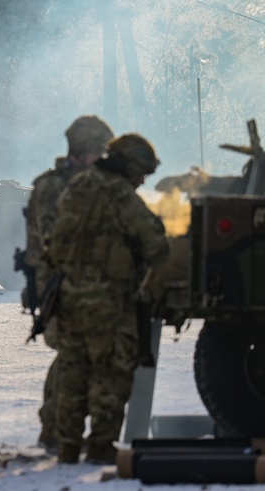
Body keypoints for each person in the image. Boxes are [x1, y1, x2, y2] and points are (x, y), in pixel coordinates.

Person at [45, 133, 169, 465]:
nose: (142, 180)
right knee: (111, 372)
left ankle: (67, 446)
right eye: (140, 172)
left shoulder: (78, 185)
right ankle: (101, 446)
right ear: (127, 166)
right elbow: (156, 243)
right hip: (109, 302)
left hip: (69, 297)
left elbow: (53, 241)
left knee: (73, 370)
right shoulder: (119, 193)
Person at [25, 115, 113, 453]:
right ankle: (54, 427)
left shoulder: (89, 182)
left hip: (81, 284)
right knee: (72, 355)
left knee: (74, 356)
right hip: (58, 284)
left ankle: (53, 427)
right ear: (84, 151)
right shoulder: (52, 186)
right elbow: (55, 239)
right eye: (99, 151)